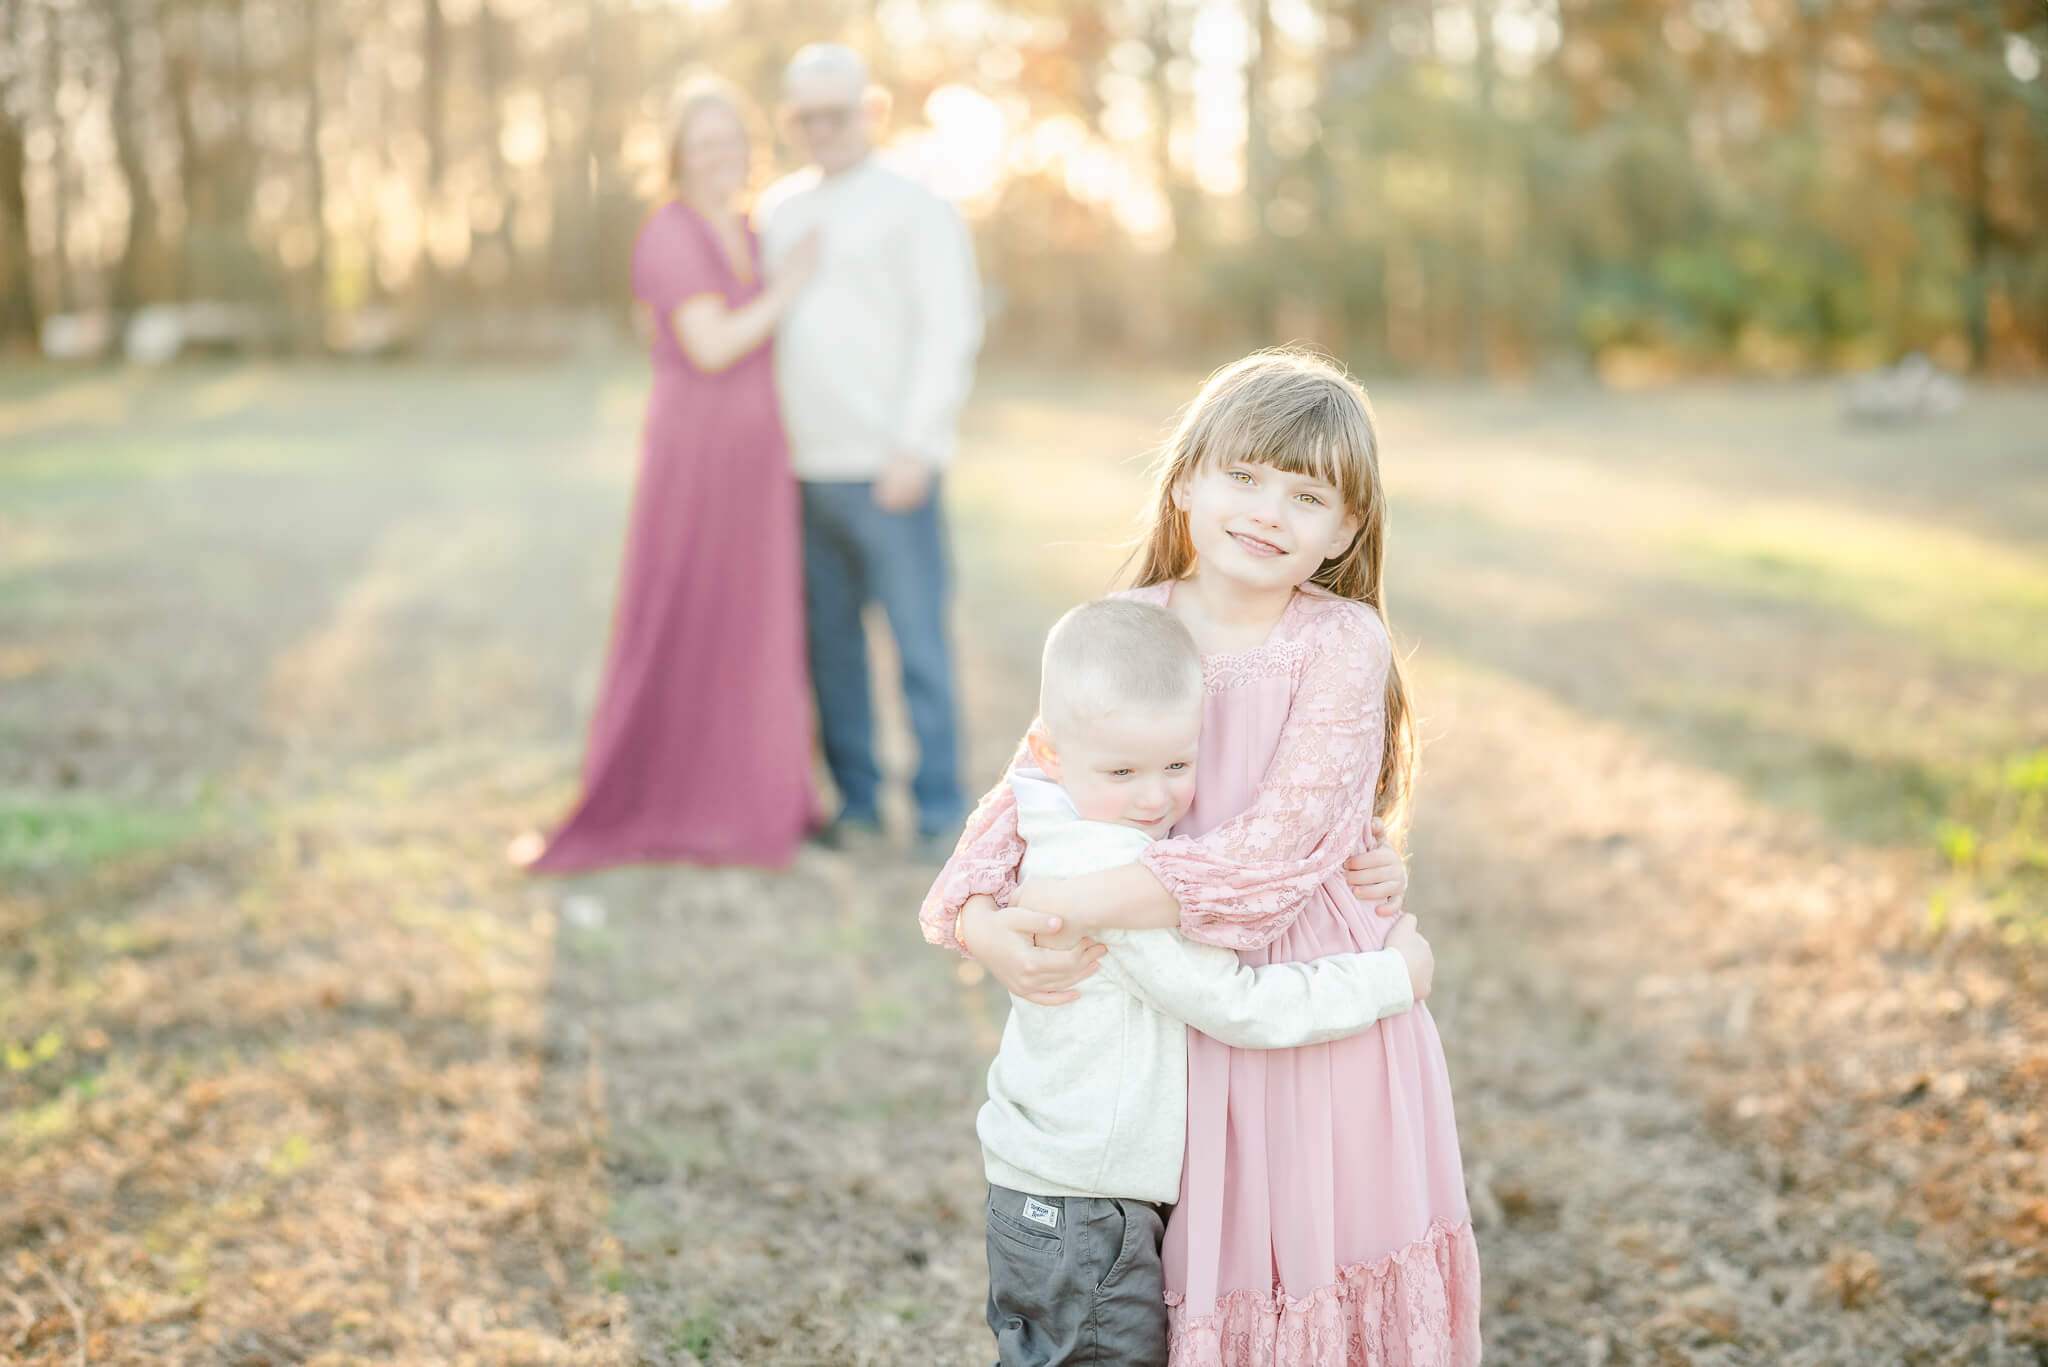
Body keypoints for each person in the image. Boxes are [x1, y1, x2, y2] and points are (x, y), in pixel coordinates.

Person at [923, 351, 1480, 1366]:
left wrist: (1069, 896)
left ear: (1346, 528)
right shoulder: (1130, 622)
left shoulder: (1338, 639)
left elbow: (1272, 858)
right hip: (1165, 1012)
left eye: (1306, 494)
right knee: (1162, 1295)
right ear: (1184, 478)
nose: (1268, 511)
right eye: (1244, 476)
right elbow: (1027, 792)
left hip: (1305, 998)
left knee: (1305, 1261)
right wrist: (979, 920)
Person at [978, 596, 1435, 1367]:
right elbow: (1237, 1005)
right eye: (1124, 771)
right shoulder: (1110, 879)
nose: (1155, 797)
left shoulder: (1053, 823)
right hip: (1088, 1206)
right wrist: (1390, 977)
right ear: (1048, 752)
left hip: (1045, 1189)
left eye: (1178, 766)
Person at [519, 78, 823, 874]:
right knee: (684, 607)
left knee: (749, 618)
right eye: (705, 143)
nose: (723, 155)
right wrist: (790, 286)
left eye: (734, 140)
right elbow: (714, 344)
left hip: (758, 456)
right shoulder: (669, 233)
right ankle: (668, 794)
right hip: (695, 454)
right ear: (679, 156)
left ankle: (749, 795)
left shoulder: (753, 229)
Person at [756, 44, 984, 861]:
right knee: (831, 648)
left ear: (870, 112)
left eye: (836, 113)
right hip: (803, 469)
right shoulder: (778, 210)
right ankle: (854, 800)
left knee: (917, 641)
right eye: (805, 117)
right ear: (790, 122)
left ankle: (937, 807)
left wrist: (914, 445)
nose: (821, 128)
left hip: (890, 467)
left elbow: (948, 329)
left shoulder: (916, 206)